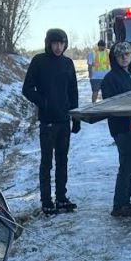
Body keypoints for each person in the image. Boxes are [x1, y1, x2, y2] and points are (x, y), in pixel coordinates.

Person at [21, 27, 81, 216]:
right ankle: (46, 201)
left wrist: (76, 117)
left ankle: (61, 197)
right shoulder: (39, 61)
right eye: (55, 43)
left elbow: (73, 91)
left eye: (61, 43)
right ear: (49, 44)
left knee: (62, 160)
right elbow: (27, 89)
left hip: (64, 120)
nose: (58, 47)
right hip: (47, 122)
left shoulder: (67, 63)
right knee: (47, 162)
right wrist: (43, 101)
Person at [100, 42, 131, 218]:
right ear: (115, 58)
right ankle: (119, 205)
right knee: (127, 165)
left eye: (127, 54)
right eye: (120, 55)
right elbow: (111, 105)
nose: (124, 57)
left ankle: (125, 202)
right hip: (122, 129)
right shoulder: (110, 79)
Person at [86, 39, 110, 103]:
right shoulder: (92, 53)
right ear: (98, 46)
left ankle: (105, 104)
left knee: (105, 92)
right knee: (95, 92)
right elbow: (90, 65)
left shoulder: (108, 52)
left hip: (105, 77)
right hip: (96, 77)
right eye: (101, 46)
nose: (103, 48)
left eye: (103, 46)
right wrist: (90, 74)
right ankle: (93, 104)